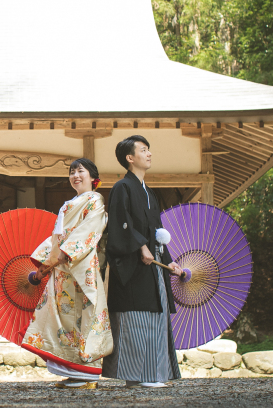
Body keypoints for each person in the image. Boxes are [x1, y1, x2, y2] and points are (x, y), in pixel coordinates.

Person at [21, 158, 113, 389]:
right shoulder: (69, 204)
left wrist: (68, 251)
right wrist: (46, 261)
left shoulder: (95, 200)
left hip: (80, 267)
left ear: (93, 177)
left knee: (83, 316)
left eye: (81, 171)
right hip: (62, 268)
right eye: (72, 172)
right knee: (62, 319)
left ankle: (87, 372)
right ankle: (73, 370)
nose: (75, 176)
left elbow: (90, 229)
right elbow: (57, 237)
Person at [101, 135, 183, 388]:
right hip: (132, 265)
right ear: (130, 158)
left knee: (154, 316)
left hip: (152, 264)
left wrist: (170, 262)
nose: (149, 154)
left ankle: (151, 374)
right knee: (134, 318)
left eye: (149, 150)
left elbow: (157, 230)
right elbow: (119, 225)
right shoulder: (122, 187)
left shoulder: (149, 192)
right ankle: (138, 375)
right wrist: (140, 247)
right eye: (143, 150)